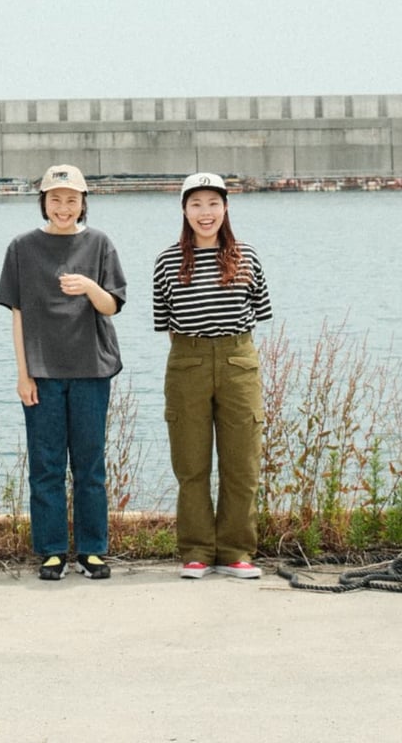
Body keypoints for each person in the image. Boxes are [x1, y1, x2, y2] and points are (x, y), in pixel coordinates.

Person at [0, 164, 127, 581]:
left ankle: (92, 550)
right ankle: (52, 551)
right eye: (56, 199)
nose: (64, 207)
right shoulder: (22, 247)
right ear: (44, 202)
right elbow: (17, 314)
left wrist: (89, 287)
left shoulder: (100, 243)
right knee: (46, 466)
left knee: (90, 466)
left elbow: (112, 306)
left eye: (72, 200)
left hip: (91, 369)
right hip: (42, 372)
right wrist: (23, 374)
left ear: (83, 203)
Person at [153, 172, 273, 579]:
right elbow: (167, 322)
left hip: (239, 360)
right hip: (187, 361)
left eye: (213, 203)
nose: (205, 213)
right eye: (196, 204)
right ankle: (197, 551)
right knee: (191, 464)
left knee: (242, 463)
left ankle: (237, 551)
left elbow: (258, 312)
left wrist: (226, 351)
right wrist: (197, 352)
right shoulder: (167, 261)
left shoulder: (247, 255)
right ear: (184, 210)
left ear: (226, 207)